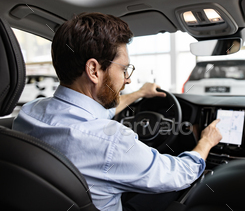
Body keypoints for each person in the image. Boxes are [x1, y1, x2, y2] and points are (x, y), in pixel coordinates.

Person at [13, 12, 222, 211]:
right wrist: (206, 142)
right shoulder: (112, 142)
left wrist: (139, 94)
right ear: (94, 70)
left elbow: (93, 116)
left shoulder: (29, 113)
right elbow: (179, 174)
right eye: (124, 69)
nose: (128, 79)